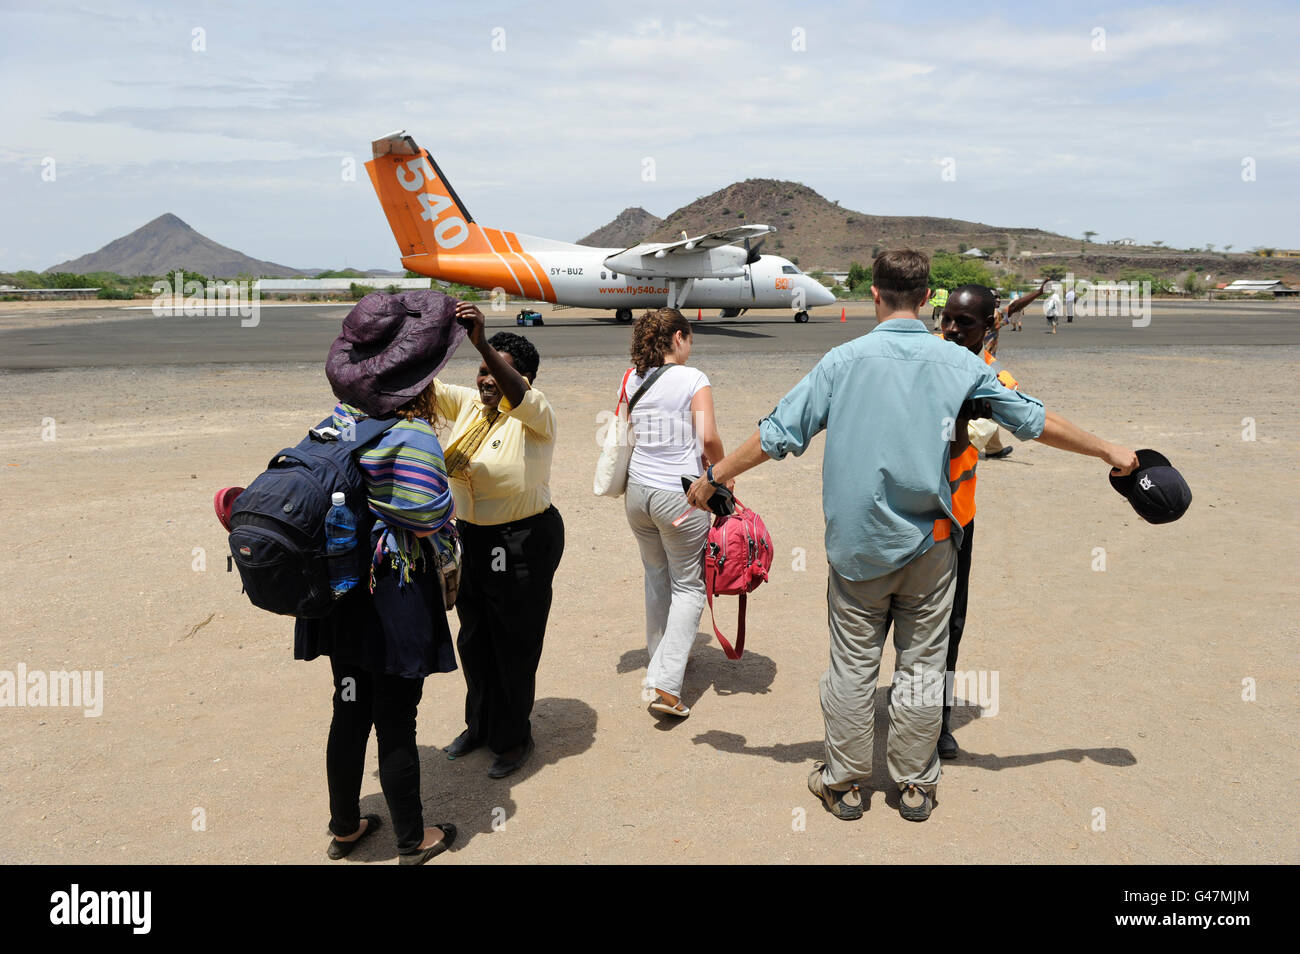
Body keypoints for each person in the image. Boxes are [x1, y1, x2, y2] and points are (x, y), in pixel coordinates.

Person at [687, 249, 1137, 823]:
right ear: (928, 299)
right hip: (933, 543)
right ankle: (915, 784)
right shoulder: (959, 363)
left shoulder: (842, 362)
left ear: (874, 294)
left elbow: (778, 434)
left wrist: (714, 478)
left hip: (858, 547)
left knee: (853, 666)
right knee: (924, 665)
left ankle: (845, 783)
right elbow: (1031, 419)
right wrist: (1108, 450)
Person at [298, 289, 464, 865]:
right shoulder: (411, 434)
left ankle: (345, 828)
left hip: (341, 591)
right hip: (391, 593)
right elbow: (428, 514)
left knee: (348, 709)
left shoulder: (336, 423)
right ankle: (413, 840)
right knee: (397, 718)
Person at [438, 302, 565, 779]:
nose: (486, 379)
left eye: (496, 372)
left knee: (514, 641)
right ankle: (481, 725)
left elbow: (514, 390)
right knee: (474, 639)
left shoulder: (535, 412)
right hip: (470, 537)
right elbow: (423, 387)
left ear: (524, 379)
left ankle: (513, 740)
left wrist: (483, 344)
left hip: (523, 540)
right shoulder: (470, 405)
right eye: (481, 371)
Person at [621, 308, 726, 719]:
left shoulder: (631, 378)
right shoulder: (693, 378)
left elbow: (627, 430)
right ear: (679, 338)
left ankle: (659, 662)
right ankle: (665, 682)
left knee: (656, 577)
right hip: (678, 496)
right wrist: (721, 475)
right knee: (689, 586)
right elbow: (709, 437)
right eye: (690, 339)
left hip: (638, 494)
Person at [935, 284, 1025, 757]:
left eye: (964, 323)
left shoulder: (995, 380)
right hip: (899, 514)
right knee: (883, 622)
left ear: (989, 327)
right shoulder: (924, 360)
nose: (950, 330)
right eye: (946, 318)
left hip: (955, 524)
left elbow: (1031, 418)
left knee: (950, 624)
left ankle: (937, 720)